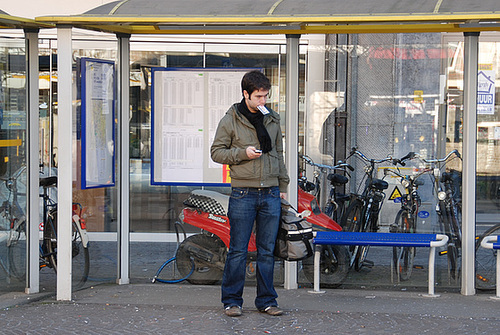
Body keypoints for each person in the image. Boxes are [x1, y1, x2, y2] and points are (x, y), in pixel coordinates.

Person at [210, 70, 290, 317]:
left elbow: (278, 154)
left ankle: (267, 301)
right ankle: (232, 301)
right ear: (246, 94)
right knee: (238, 250)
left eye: (266, 96)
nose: (263, 101)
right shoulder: (230, 119)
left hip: (270, 193)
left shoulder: (272, 119)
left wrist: (283, 187)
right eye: (258, 96)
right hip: (243, 192)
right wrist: (242, 154)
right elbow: (216, 152)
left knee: (267, 251)